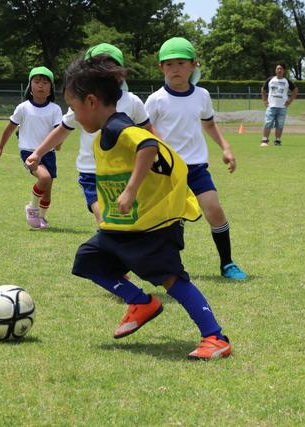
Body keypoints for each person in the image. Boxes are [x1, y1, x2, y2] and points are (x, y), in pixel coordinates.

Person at [65, 55, 232, 360]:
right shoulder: (105, 132)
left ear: (91, 102)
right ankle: (140, 302)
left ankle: (215, 336)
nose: (74, 116)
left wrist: (129, 191)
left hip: (152, 225)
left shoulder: (118, 126)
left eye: (74, 108)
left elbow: (148, 145)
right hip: (123, 225)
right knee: (87, 259)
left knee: (171, 279)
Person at [144, 37, 247, 280]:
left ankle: (227, 263)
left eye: (181, 63)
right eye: (169, 64)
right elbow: (143, 129)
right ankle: (171, 268)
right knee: (170, 221)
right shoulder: (156, 99)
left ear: (193, 65)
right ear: (161, 68)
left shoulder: (201, 95)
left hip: (197, 167)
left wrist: (226, 147)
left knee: (214, 210)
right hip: (166, 170)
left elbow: (209, 124)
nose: (175, 69)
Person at [26, 43, 154, 225]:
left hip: (123, 171)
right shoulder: (82, 101)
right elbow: (63, 128)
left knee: (127, 221)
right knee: (104, 219)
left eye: (109, 69)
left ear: (121, 74)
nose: (103, 74)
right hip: (91, 172)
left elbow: (149, 132)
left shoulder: (132, 101)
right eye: (96, 69)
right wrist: (38, 153)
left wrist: (164, 155)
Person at [0, 66, 62, 229]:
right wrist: (0, 147)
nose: (41, 86)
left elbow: (59, 130)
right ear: (30, 86)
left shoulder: (55, 109)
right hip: (29, 152)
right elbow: (10, 127)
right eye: (37, 82)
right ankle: (32, 208)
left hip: (49, 153)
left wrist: (59, 144)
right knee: (44, 178)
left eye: (45, 83)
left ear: (50, 88)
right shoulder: (23, 108)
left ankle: (42, 218)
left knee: (48, 190)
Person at [260, 63, 298, 147]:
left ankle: (277, 140)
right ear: (275, 70)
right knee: (268, 123)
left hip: (282, 107)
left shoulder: (287, 81)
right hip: (271, 106)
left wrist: (289, 101)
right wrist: (265, 101)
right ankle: (265, 140)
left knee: (280, 124)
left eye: (281, 69)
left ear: (284, 71)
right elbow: (263, 89)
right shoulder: (270, 79)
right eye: (278, 69)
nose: (279, 70)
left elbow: (295, 90)